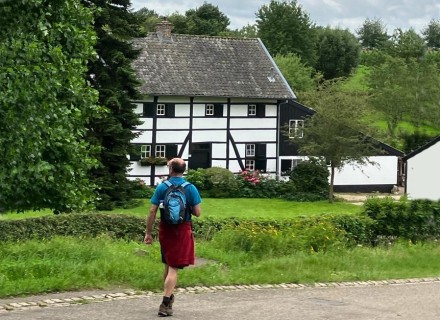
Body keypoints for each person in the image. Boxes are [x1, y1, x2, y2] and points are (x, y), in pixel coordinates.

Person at [144, 158, 202, 317]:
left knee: (168, 264)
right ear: (183, 170)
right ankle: (165, 303)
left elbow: (152, 211)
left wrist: (148, 233)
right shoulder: (190, 188)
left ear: (170, 169)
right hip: (182, 229)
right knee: (173, 267)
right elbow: (197, 213)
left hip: (166, 229)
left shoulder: (162, 187)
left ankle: (169, 298)